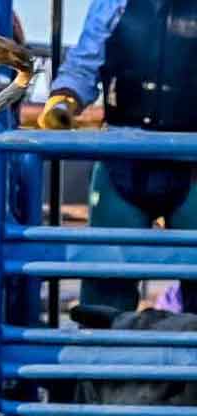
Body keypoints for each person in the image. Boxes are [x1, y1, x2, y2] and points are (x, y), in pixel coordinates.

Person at [39, 0, 197, 312]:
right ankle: (101, 340)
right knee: (106, 280)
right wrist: (64, 98)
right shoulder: (113, 2)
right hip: (123, 155)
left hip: (191, 162)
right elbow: (85, 62)